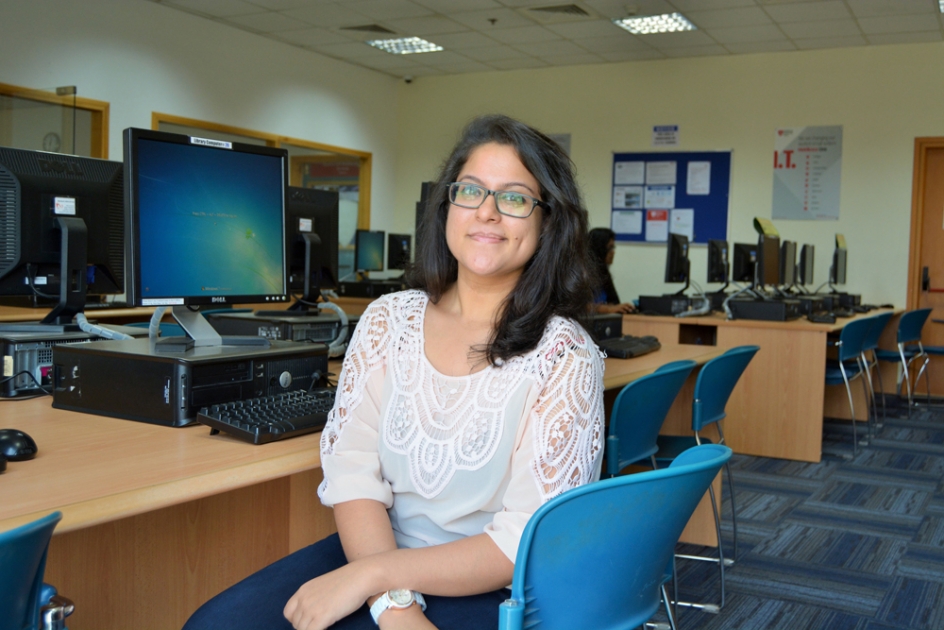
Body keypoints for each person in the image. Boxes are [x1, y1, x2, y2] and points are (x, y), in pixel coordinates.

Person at [183, 114, 606, 630]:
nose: (487, 212)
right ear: (447, 206)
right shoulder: (389, 319)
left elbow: (524, 538)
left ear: (548, 223)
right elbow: (352, 470)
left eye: (514, 198)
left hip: (490, 584)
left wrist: (373, 581)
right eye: (471, 190)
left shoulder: (565, 356)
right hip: (373, 550)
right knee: (213, 625)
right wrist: (393, 601)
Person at [588, 227, 635, 314]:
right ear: (599, 249)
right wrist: (607, 309)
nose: (613, 252)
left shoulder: (603, 272)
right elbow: (578, 307)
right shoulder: (581, 273)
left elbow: (615, 302)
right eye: (609, 248)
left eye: (613, 248)